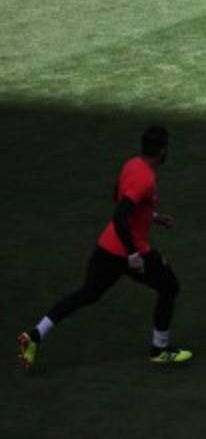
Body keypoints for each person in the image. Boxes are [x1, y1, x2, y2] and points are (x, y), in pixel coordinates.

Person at [17, 126, 191, 369]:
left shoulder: (132, 165)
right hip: (131, 251)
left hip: (107, 247)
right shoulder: (146, 179)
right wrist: (133, 254)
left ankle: (35, 335)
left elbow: (119, 197)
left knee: (86, 294)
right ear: (162, 150)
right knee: (170, 286)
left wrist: (153, 216)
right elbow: (120, 216)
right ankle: (159, 349)